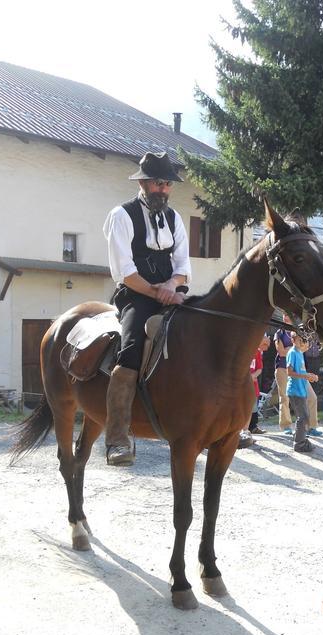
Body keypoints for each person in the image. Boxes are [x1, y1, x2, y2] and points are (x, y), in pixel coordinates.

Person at [102, 152, 191, 466]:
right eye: (158, 183)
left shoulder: (175, 218)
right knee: (130, 350)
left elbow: (182, 266)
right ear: (142, 182)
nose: (163, 189)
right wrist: (157, 291)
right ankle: (116, 440)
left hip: (171, 292)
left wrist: (172, 287)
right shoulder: (121, 216)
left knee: (199, 338)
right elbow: (125, 273)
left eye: (167, 184)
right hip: (135, 296)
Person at [286, 332, 319, 453]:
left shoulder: (300, 353)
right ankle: (299, 443)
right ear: (293, 340)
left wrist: (309, 376)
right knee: (303, 416)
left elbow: (301, 372)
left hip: (301, 390)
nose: (302, 342)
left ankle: (299, 439)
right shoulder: (293, 353)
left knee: (304, 416)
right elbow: (289, 372)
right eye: (299, 340)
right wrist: (306, 376)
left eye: (303, 340)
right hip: (294, 390)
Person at [274, 316, 294, 434]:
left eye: (288, 315)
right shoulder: (279, 333)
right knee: (284, 397)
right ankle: (286, 426)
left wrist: (289, 349)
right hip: (282, 368)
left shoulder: (297, 332)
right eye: (284, 315)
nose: (286, 317)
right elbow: (281, 352)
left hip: (296, 369)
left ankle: (309, 426)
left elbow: (303, 348)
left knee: (305, 397)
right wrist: (294, 349)